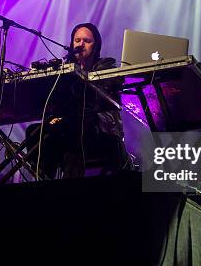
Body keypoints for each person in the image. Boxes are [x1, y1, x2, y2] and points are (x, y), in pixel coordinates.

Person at [25, 23, 129, 179]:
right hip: (68, 126)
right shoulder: (64, 70)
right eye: (77, 40)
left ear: (96, 46)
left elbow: (109, 90)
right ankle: (43, 178)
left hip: (100, 127)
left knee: (76, 127)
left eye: (87, 41)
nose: (81, 44)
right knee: (34, 131)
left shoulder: (106, 67)